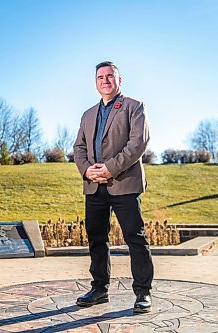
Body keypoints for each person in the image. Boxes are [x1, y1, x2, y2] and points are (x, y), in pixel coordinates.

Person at [73, 61, 154, 313]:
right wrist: (87, 169)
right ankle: (99, 289)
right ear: (95, 82)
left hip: (124, 184)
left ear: (120, 80)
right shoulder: (87, 114)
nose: (105, 80)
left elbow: (138, 142)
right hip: (94, 187)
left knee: (135, 238)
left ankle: (143, 293)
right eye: (100, 77)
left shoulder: (134, 107)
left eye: (110, 76)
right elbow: (79, 148)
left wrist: (111, 168)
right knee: (96, 239)